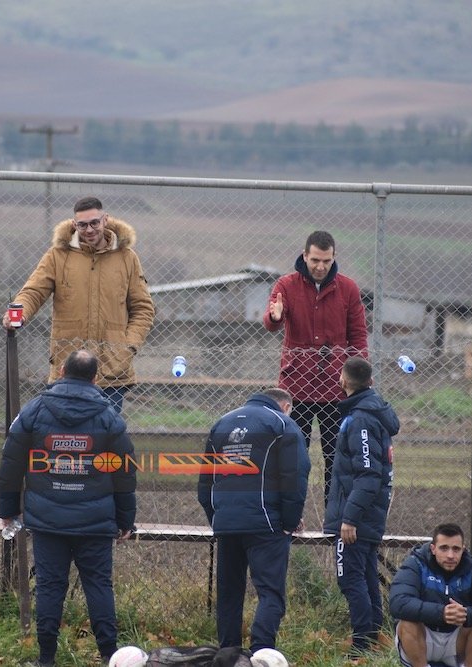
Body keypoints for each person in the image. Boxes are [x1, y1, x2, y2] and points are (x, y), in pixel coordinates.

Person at [0, 349, 136, 667]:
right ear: (95, 378)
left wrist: (8, 510)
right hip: (96, 520)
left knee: (49, 585)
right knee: (99, 584)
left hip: (48, 519)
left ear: (61, 371)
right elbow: (125, 471)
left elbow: (11, 463)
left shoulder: (34, 410)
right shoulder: (109, 416)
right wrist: (126, 519)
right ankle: (109, 657)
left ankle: (46, 659)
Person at [4, 196, 155, 413]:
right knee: (62, 435)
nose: (90, 229)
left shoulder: (127, 258)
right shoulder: (58, 256)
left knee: (105, 439)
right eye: (83, 225)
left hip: (111, 371)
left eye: (94, 222)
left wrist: (127, 347)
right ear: (74, 225)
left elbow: (143, 308)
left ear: (105, 220)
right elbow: (34, 291)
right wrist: (20, 312)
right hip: (67, 370)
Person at [197, 388, 311, 653]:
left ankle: (228, 653)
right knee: (270, 593)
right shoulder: (282, 423)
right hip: (267, 525)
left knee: (229, 594)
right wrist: (289, 521)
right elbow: (295, 475)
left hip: (226, 524)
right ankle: (261, 652)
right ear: (285, 406)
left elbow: (205, 484)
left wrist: (218, 519)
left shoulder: (222, 424)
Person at [263, 230, 368, 504]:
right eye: (315, 260)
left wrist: (359, 380)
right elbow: (272, 320)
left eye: (326, 261)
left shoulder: (348, 289)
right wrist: (275, 317)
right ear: (305, 255)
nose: (320, 267)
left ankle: (334, 517)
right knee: (292, 458)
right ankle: (291, 516)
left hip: (337, 389)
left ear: (334, 258)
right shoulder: (286, 285)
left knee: (337, 458)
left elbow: (358, 337)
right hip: (296, 386)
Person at [322, 356, 398, 657]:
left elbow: (367, 474)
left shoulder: (361, 420)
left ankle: (362, 645)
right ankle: (373, 639)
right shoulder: (368, 413)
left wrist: (349, 518)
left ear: (342, 380)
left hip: (357, 517)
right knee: (365, 575)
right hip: (368, 513)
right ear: (371, 382)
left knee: (350, 577)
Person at [388, 523, 472, 667]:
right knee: (406, 622)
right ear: (433, 548)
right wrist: (441, 613)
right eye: (444, 548)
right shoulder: (416, 564)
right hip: (423, 639)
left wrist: (467, 614)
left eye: (456, 549)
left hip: (456, 642)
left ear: (463, 549)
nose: (450, 555)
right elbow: (398, 603)